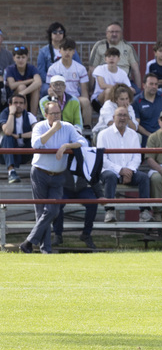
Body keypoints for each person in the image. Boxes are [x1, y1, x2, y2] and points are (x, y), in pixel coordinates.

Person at [16, 101, 85, 254]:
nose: (56, 116)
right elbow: (35, 144)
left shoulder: (67, 126)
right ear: (45, 115)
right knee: (41, 212)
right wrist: (53, 130)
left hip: (58, 175)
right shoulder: (40, 127)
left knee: (53, 211)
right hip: (40, 172)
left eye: (58, 113)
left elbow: (82, 142)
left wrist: (66, 146)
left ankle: (28, 242)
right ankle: (45, 249)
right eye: (52, 114)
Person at [97, 105, 153, 223]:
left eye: (125, 115)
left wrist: (130, 170)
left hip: (129, 171)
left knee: (144, 178)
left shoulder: (134, 134)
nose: (122, 118)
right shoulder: (103, 134)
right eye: (119, 115)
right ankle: (109, 211)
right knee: (110, 176)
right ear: (113, 117)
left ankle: (144, 212)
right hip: (109, 171)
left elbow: (137, 157)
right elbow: (102, 159)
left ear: (129, 118)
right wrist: (120, 170)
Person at [2, 91, 36, 183]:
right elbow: (8, 131)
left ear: (25, 105)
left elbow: (36, 132)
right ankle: (11, 172)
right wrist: (11, 114)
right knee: (7, 137)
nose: (18, 105)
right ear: (10, 104)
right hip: (9, 152)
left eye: (21, 103)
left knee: (38, 140)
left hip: (24, 152)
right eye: (15, 103)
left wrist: (19, 136)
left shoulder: (29, 115)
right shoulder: (5, 114)